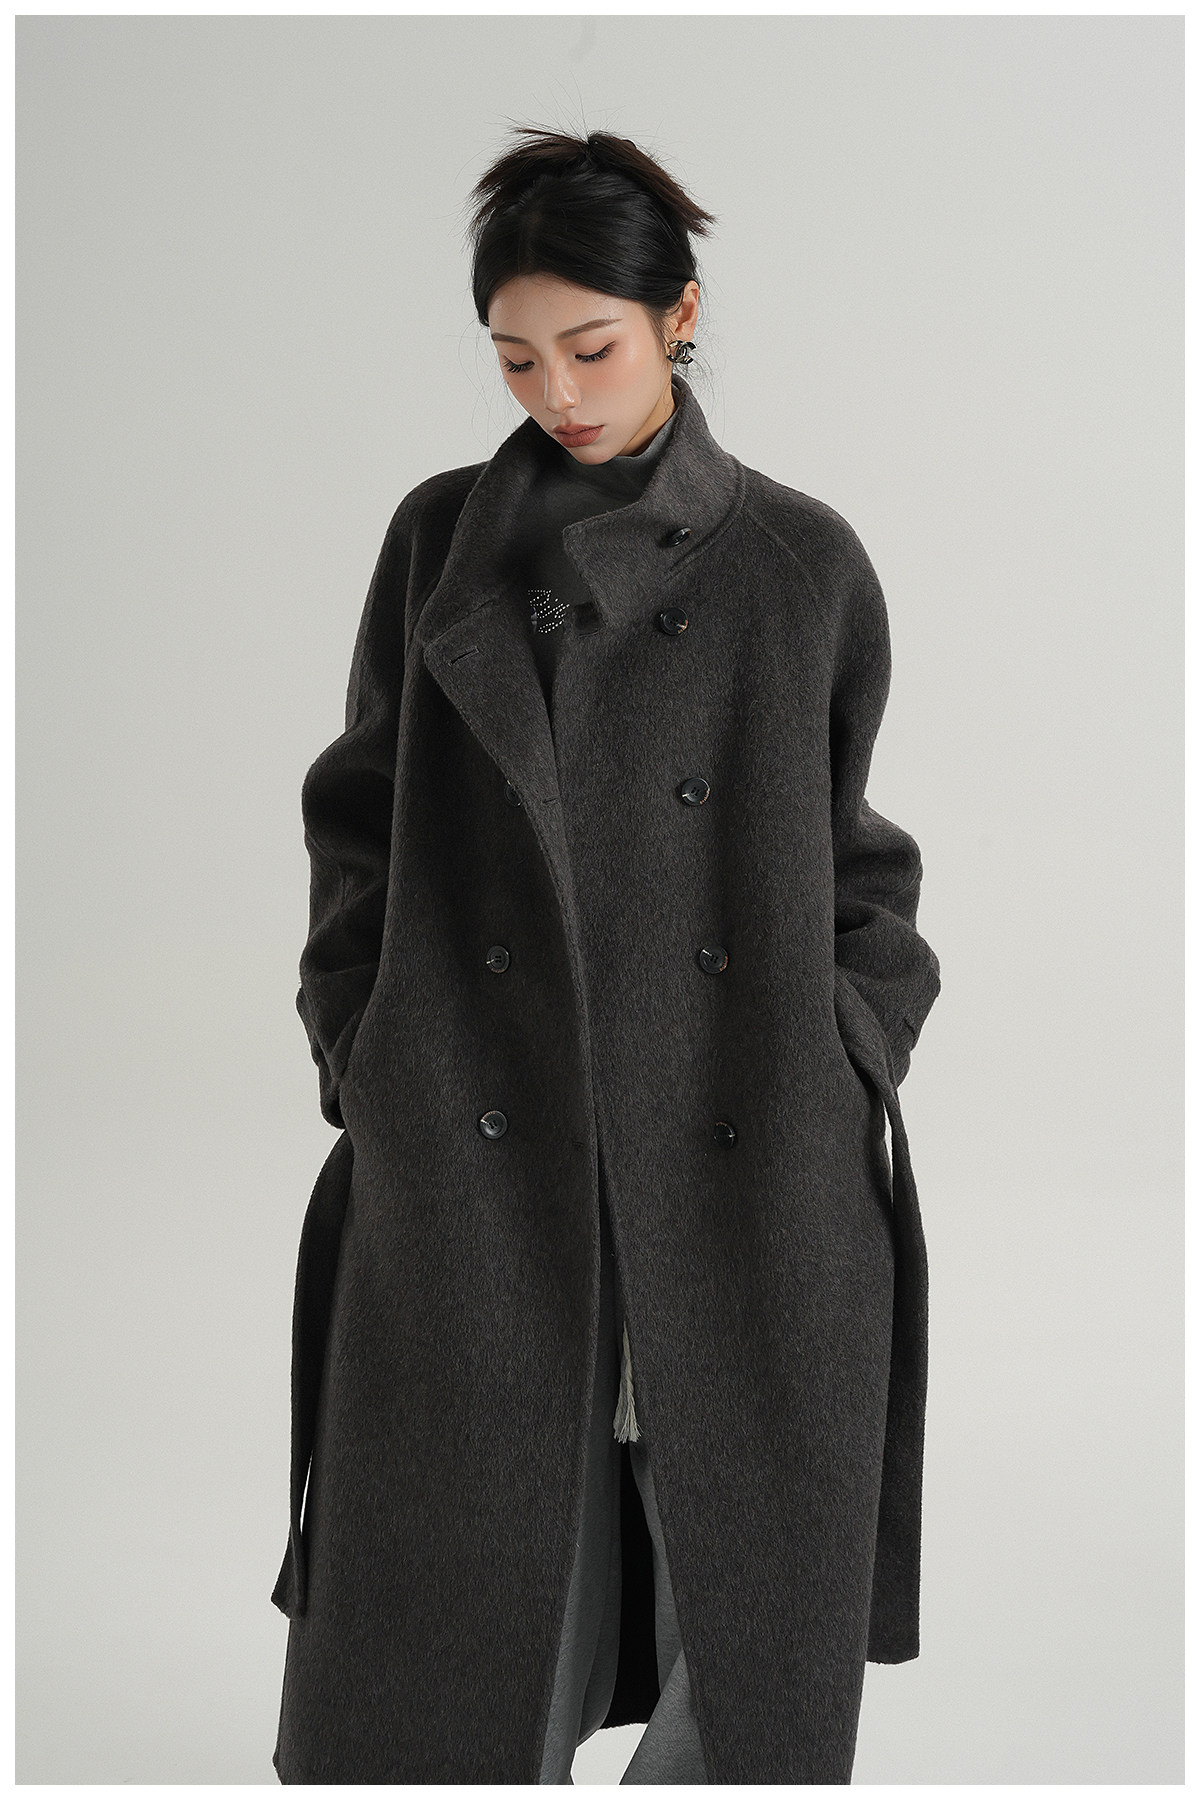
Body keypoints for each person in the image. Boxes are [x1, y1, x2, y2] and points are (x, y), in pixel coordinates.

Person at [272, 125, 941, 1786]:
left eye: (592, 347)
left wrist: (853, 1036)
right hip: (479, 1130)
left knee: (744, 1548)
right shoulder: (439, 543)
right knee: (470, 1546)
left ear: (679, 316)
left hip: (745, 1127)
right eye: (516, 357)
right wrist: (364, 1039)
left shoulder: (798, 562)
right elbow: (357, 816)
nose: (557, 393)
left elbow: (861, 851)